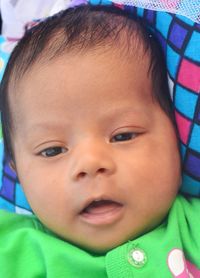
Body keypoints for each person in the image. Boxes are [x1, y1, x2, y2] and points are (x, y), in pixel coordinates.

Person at [0, 5, 199, 277]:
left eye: (123, 135)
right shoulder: (12, 250)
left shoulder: (193, 229)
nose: (90, 163)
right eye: (52, 150)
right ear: (16, 169)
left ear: (177, 139)